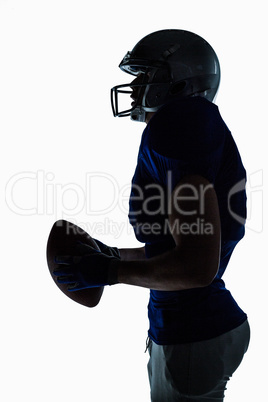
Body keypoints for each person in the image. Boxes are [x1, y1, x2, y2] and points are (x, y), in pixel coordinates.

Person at [53, 29, 250, 401]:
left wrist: (111, 272)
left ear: (179, 83)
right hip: (187, 328)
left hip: (193, 331)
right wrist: (111, 254)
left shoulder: (182, 126)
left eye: (146, 76)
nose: (134, 87)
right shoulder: (184, 129)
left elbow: (195, 267)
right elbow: (175, 249)